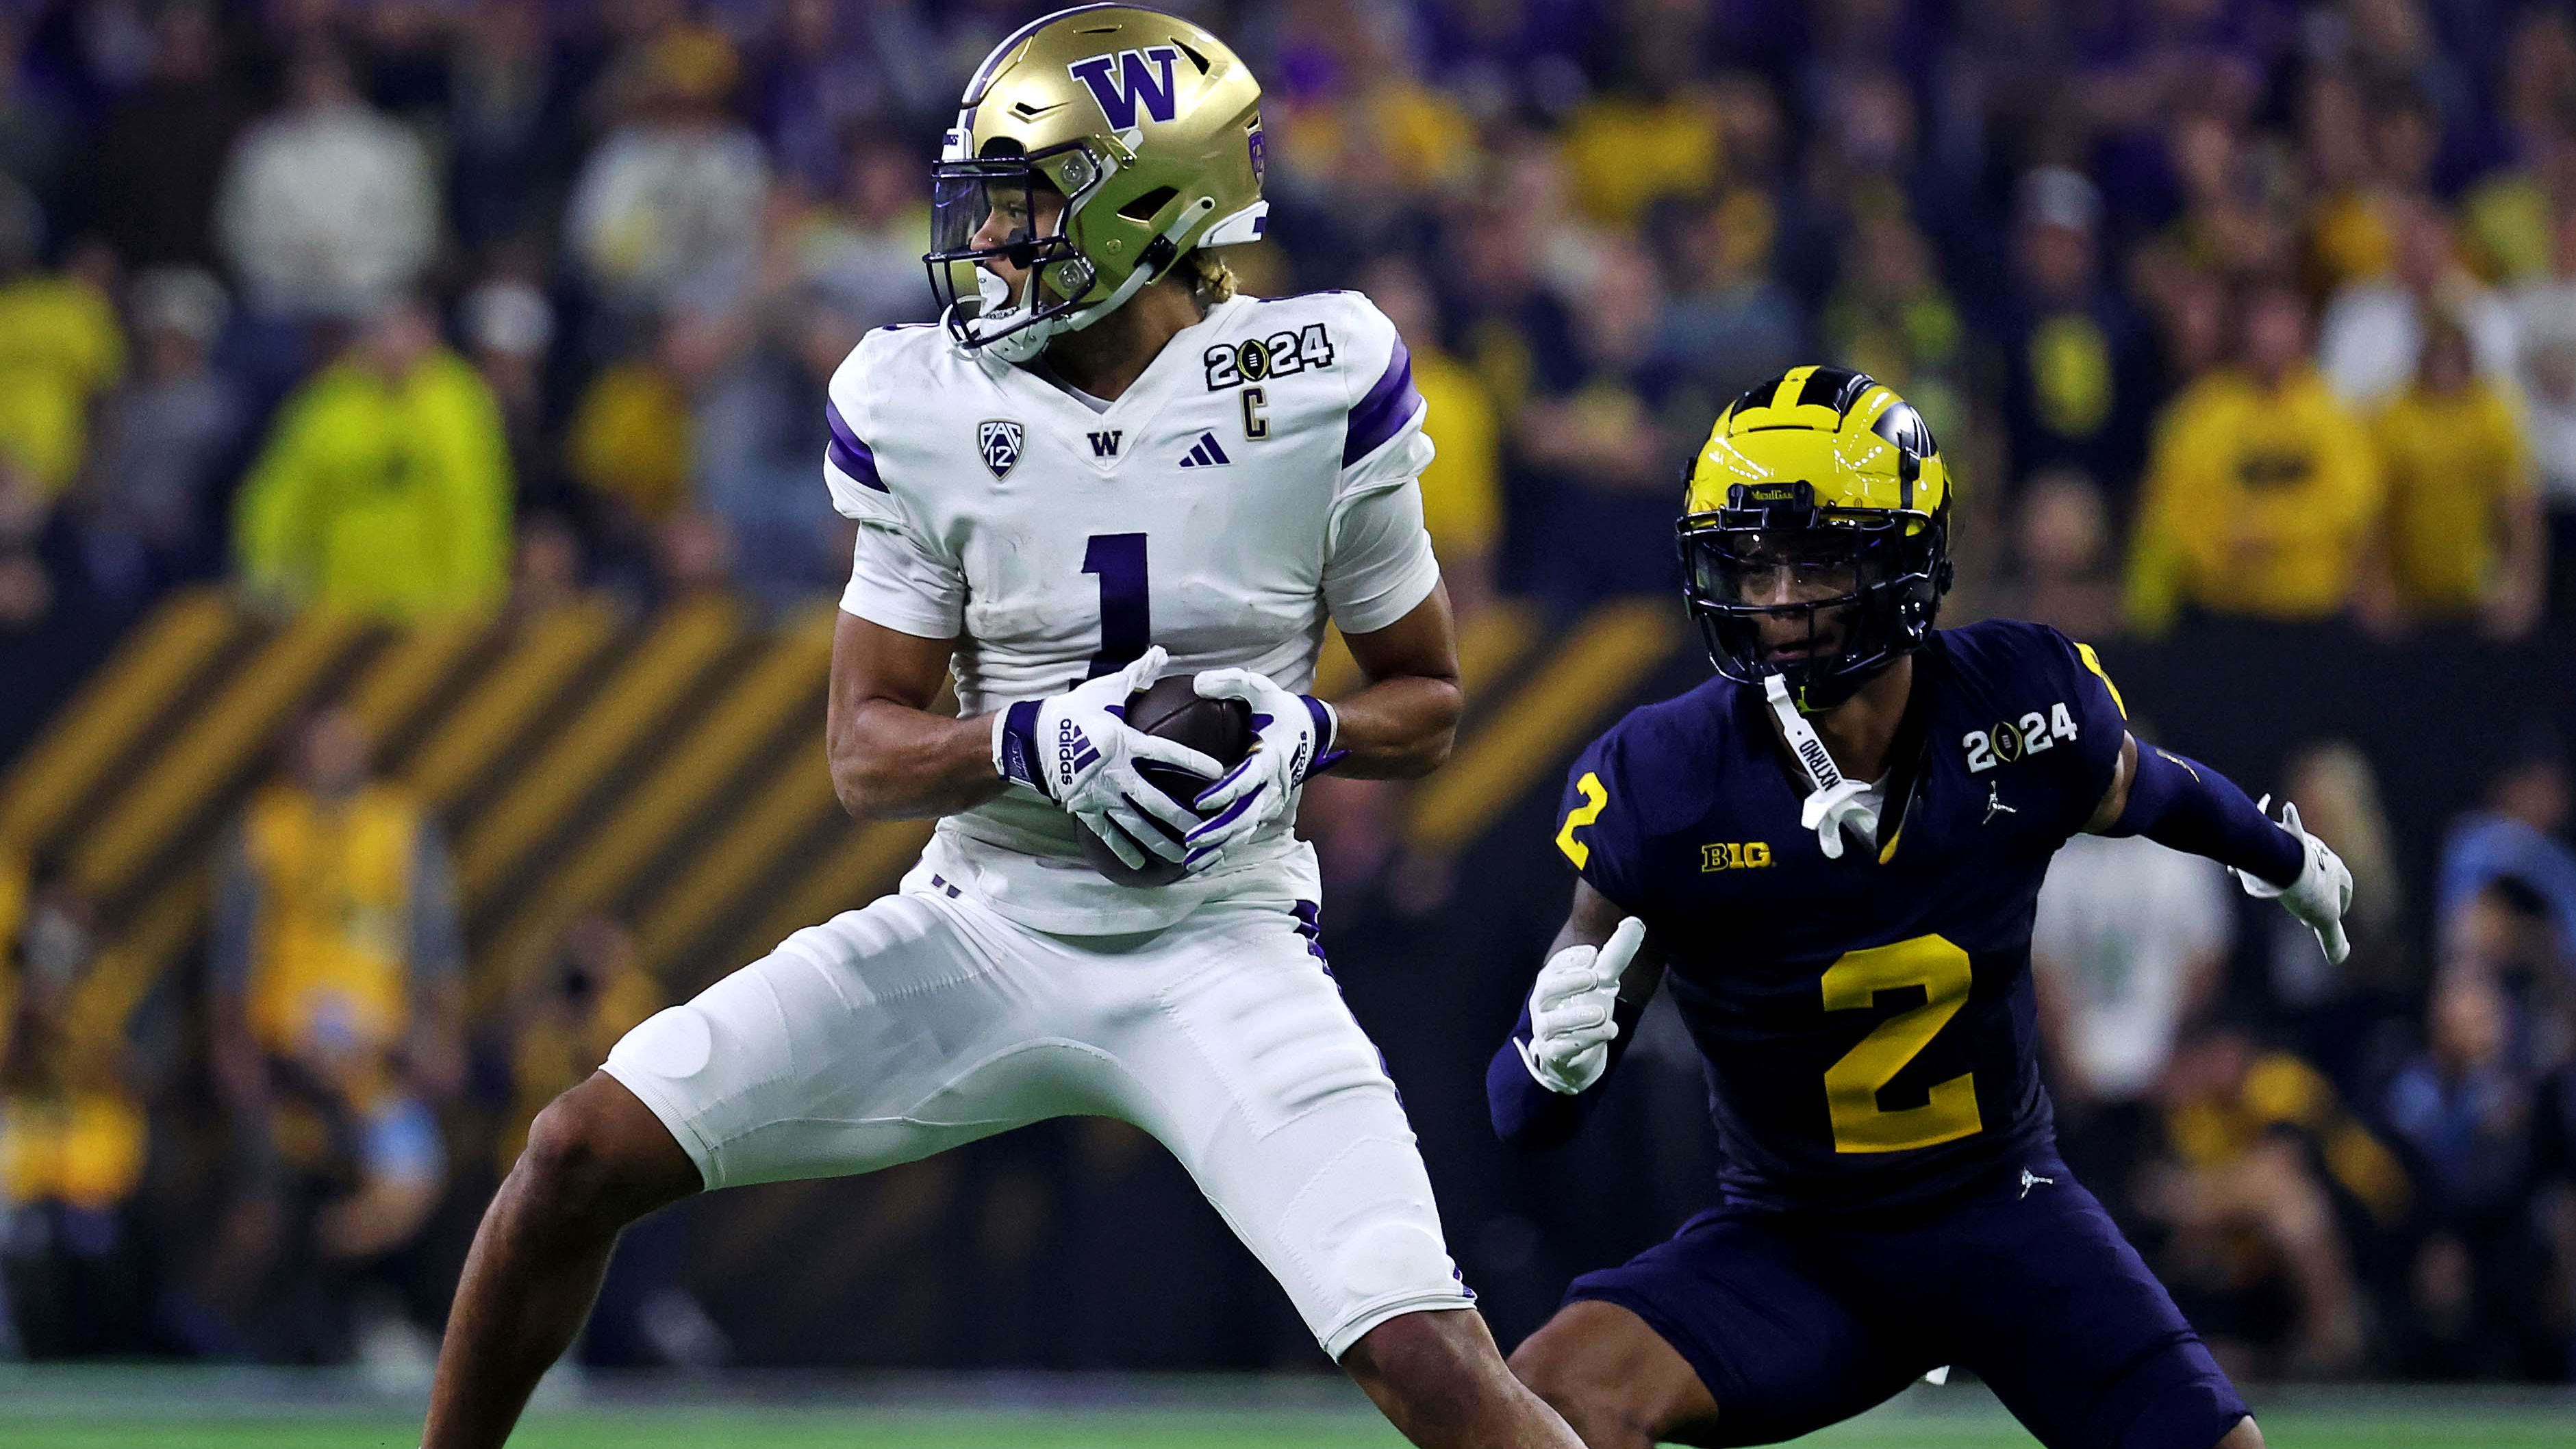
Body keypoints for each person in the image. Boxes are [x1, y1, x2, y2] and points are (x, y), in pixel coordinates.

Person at [424, 11, 1582, 1449]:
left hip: (1220, 940)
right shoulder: (924, 400)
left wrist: (1307, 730)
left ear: (1152, 207)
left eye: (1030, 201)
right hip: (985, 923)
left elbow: (1430, 697)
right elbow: (863, 749)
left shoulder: (1315, 380)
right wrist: (1028, 742)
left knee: (1425, 1352)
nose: (993, 239)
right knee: (574, 1148)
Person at [1488, 368, 2359, 1449]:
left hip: (2003, 1212)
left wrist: (2278, 854)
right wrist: (1546, 1062)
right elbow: (1526, 1117)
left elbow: (2152, 788)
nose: (1777, 598)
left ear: (1905, 557)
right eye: (1752, 562)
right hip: (1794, 1242)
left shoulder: (2016, 702)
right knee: (1537, 1398)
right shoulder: (1667, 775)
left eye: (1816, 556)